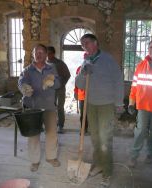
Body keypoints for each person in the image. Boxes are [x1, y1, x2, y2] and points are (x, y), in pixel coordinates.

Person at [75, 34, 125, 188]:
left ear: (95, 43)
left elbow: (118, 80)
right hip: (91, 104)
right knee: (95, 137)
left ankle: (107, 172)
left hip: (106, 105)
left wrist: (119, 102)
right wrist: (83, 72)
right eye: (83, 45)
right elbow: (80, 85)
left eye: (87, 43)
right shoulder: (86, 61)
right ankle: (98, 164)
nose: (85, 46)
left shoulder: (108, 59)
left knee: (105, 139)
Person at [18, 44, 61, 172]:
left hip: (48, 106)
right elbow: (21, 83)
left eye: (42, 52)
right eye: (36, 52)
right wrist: (24, 88)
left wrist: (52, 82)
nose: (39, 54)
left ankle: (51, 157)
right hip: (33, 107)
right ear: (33, 54)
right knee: (33, 134)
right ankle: (34, 161)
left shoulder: (51, 68)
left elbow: (58, 83)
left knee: (51, 133)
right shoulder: (27, 70)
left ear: (46, 54)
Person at [47, 46, 71, 133]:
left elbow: (68, 75)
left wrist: (61, 84)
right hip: (50, 89)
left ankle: (60, 125)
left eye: (50, 53)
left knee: (60, 107)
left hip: (60, 89)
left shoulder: (60, 64)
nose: (48, 55)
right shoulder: (45, 64)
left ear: (53, 53)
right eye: (47, 53)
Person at [74, 53, 89, 135]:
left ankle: (91, 128)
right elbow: (76, 82)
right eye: (85, 58)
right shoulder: (79, 69)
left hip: (92, 95)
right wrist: (75, 92)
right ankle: (83, 128)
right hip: (82, 95)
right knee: (83, 114)